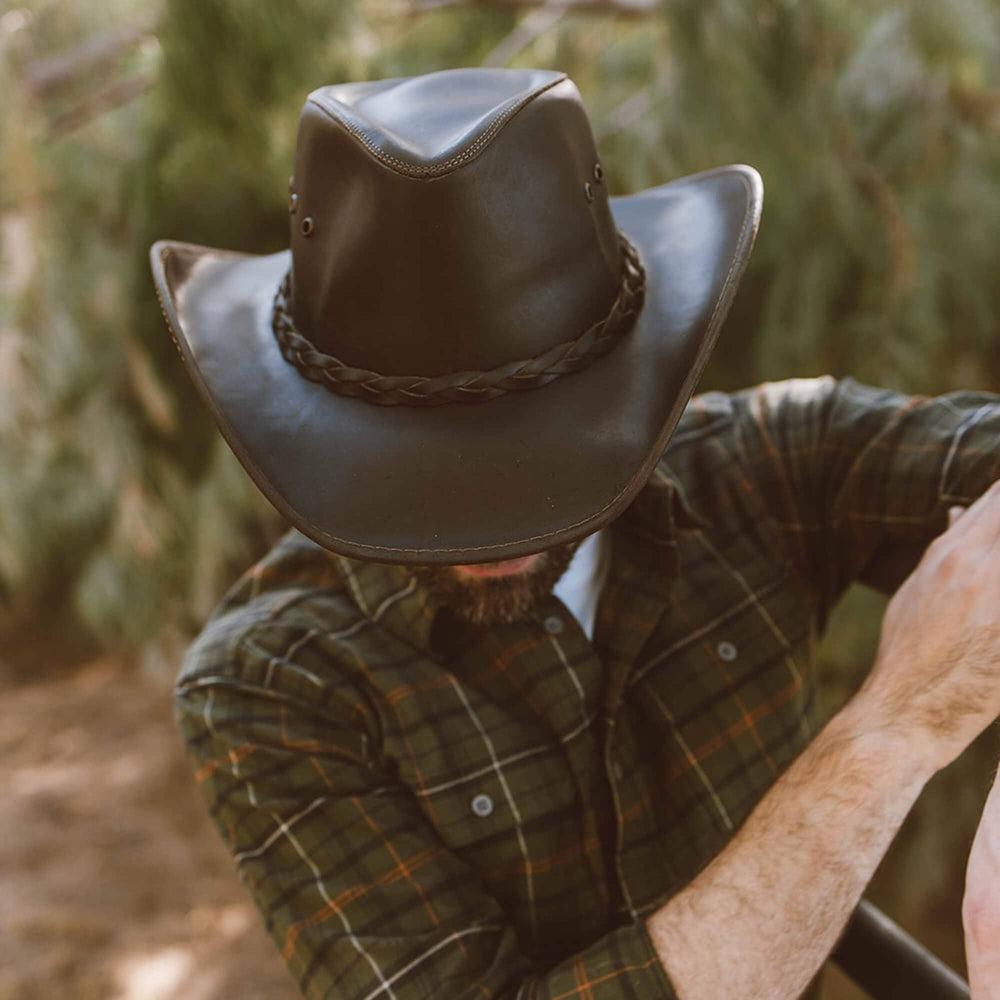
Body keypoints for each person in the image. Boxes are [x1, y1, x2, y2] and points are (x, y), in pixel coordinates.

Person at [150, 68, 1000, 999]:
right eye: (418, 485)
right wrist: (892, 731)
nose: (486, 527)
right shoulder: (270, 687)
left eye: (533, 458)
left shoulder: (767, 462)